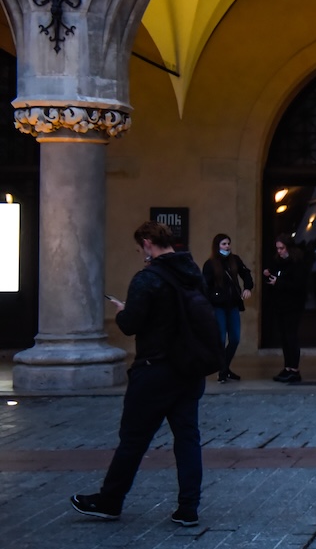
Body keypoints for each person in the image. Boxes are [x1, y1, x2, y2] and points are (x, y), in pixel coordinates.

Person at [70, 221, 206, 527]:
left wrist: (122, 311)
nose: (139, 254)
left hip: (155, 370)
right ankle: (188, 508)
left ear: (147, 242)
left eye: (139, 248)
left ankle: (110, 500)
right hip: (188, 369)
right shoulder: (193, 274)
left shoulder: (147, 278)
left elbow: (132, 324)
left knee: (133, 439)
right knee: (187, 438)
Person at [202, 233, 255, 383]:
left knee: (235, 338)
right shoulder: (210, 264)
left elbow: (246, 274)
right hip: (218, 306)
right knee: (220, 338)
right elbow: (204, 285)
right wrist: (212, 300)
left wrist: (248, 288)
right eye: (224, 244)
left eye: (228, 243)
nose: (227, 246)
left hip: (232, 305)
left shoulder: (235, 260)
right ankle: (223, 370)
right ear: (217, 245)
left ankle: (224, 368)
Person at [264, 234, 307, 383]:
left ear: (288, 247)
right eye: (278, 248)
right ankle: (287, 367)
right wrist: (269, 275)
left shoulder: (297, 263)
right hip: (280, 304)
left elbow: (299, 285)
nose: (280, 251)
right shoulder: (278, 261)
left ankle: (294, 369)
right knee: (284, 337)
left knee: (291, 336)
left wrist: (279, 282)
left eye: (282, 248)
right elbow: (277, 277)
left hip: (293, 305)